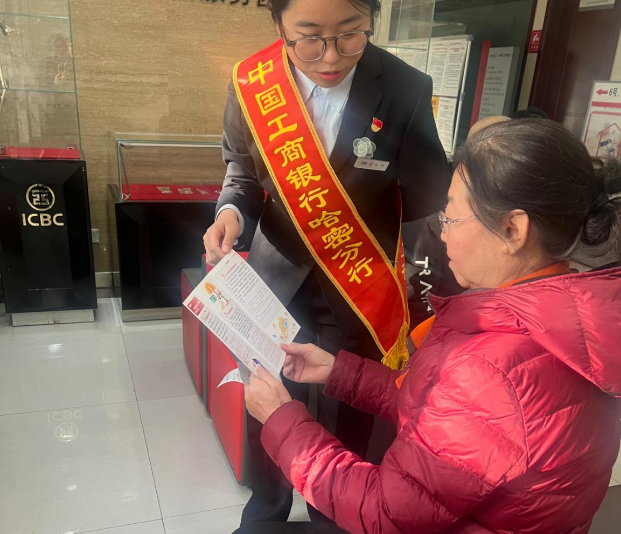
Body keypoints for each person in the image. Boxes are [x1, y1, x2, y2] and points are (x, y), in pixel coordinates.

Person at [243, 118, 621, 534]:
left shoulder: (493, 368)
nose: (442, 236)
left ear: (512, 230)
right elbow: (447, 416)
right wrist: (340, 373)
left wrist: (282, 420)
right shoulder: (568, 318)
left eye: (451, 218)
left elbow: (386, 515)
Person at [203, 0, 450, 525]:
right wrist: (230, 212)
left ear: (373, 15)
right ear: (279, 22)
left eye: (350, 32)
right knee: (270, 402)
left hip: (362, 291)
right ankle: (267, 507)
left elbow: (426, 208)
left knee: (346, 419)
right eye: (309, 37)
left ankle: (331, 518)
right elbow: (242, 172)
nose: (331, 55)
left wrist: (430, 305)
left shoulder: (406, 89)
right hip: (274, 285)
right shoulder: (252, 84)